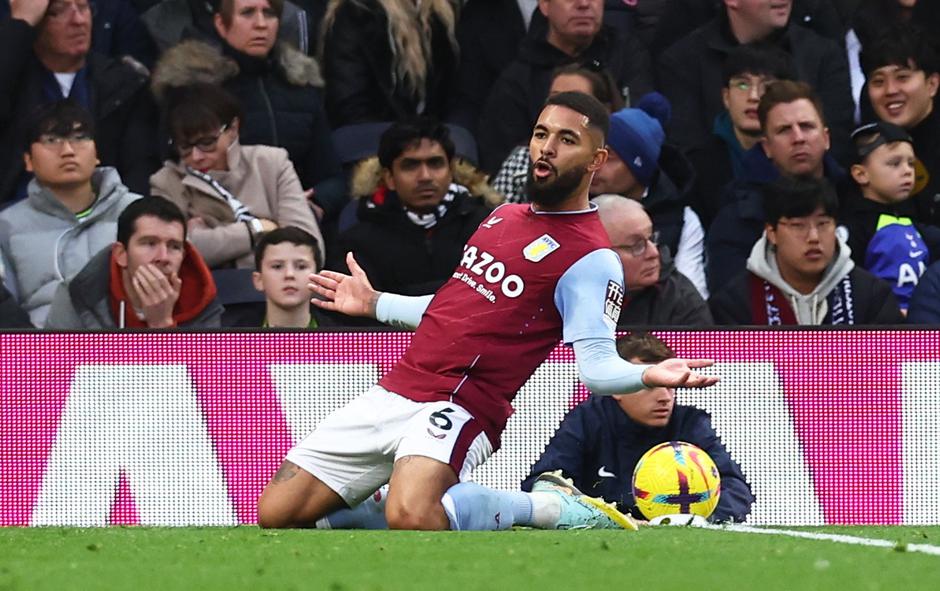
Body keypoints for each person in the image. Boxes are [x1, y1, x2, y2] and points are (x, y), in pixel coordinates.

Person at [256, 91, 719, 532]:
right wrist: (376, 303)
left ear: (597, 161)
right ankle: (382, 498)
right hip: (400, 384)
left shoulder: (593, 259)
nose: (547, 148)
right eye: (541, 134)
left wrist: (649, 375)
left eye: (567, 139)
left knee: (414, 517)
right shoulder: (502, 216)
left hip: (460, 402)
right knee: (276, 513)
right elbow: (456, 308)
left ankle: (545, 507)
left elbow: (596, 368)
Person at [522, 332, 752, 522]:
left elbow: (734, 488)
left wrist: (705, 521)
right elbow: (544, 483)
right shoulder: (588, 420)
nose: (665, 397)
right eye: (651, 385)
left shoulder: (690, 424)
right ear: (618, 388)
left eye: (671, 386)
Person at [150, 0, 347, 221]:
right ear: (221, 24)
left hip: (297, 219)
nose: (261, 24)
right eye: (248, 13)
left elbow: (332, 177)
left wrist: (316, 201)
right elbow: (174, 167)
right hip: (220, 221)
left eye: (269, 13)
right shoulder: (192, 90)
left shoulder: (300, 86)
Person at [149, 83, 324, 270]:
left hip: (279, 291)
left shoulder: (271, 163)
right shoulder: (166, 181)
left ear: (233, 128)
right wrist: (255, 229)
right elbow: (176, 256)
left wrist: (215, 243)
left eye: (207, 143)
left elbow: (309, 248)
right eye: (184, 147)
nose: (196, 156)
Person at [0, 0, 159, 206]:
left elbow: (141, 166)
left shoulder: (124, 84)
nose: (79, 20)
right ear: (35, 23)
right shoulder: (12, 81)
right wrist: (19, 23)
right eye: (58, 12)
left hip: (105, 217)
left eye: (84, 8)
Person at [657, 0, 853, 165]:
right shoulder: (682, 61)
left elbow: (838, 141)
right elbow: (686, 152)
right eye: (742, 84)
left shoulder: (823, 54)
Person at [0, 101, 142, 327]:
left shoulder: (138, 213)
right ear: (28, 160)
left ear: (97, 153)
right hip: (43, 353)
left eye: (79, 138)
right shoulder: (7, 226)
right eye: (51, 140)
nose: (67, 151)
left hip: (129, 349)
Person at [477, 0, 654, 174]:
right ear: (545, 5)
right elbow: (501, 160)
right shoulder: (516, 81)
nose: (584, 4)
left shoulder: (628, 54)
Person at [706, 80, 846, 293]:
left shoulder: (857, 196)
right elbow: (731, 303)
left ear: (826, 138)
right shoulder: (738, 216)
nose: (798, 138)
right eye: (784, 130)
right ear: (767, 147)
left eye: (806, 126)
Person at [329, 118, 495, 297]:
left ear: (451, 172)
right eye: (410, 166)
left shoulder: (486, 228)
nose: (425, 176)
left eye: (435, 163)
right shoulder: (357, 243)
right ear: (389, 178)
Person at [709, 177, 903, 325]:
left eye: (823, 223)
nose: (814, 237)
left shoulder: (872, 295)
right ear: (771, 233)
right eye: (798, 226)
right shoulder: (735, 302)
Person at [590, 94, 708, 299]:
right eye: (595, 155)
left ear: (638, 166)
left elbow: (692, 297)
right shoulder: (572, 206)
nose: (595, 167)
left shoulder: (681, 220)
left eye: (610, 158)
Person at [45, 196, 224, 328]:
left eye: (174, 246)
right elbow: (56, 372)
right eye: (149, 243)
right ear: (121, 254)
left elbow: (201, 377)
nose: (163, 257)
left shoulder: (201, 297)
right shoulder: (79, 294)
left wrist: (161, 324)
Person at [685, 43, 795, 228]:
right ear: (726, 97)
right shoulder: (696, 165)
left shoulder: (800, 155)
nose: (754, 96)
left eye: (767, 87)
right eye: (742, 84)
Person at [838, 121, 939, 313]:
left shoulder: (910, 224)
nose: (908, 170)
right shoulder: (854, 229)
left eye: (911, 163)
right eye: (894, 163)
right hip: (881, 332)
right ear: (860, 174)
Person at [492, 63, 624, 206]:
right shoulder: (520, 162)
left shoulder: (622, 165)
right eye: (556, 98)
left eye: (576, 101)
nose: (547, 148)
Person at [318, 0, 459, 128]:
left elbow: (452, 98)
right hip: (375, 143)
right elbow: (349, 105)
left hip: (433, 144)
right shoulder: (354, 15)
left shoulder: (441, 16)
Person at [860, 23, 940, 226]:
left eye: (902, 77)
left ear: (932, 84)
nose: (890, 90)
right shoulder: (864, 150)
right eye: (878, 81)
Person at [594, 196, 712, 326]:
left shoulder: (680, 299)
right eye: (637, 246)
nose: (654, 253)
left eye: (651, 239)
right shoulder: (569, 295)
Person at [230, 225, 342, 327]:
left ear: (317, 280)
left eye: (301, 267)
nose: (289, 274)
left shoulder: (341, 340)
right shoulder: (233, 340)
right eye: (277, 266)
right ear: (259, 280)